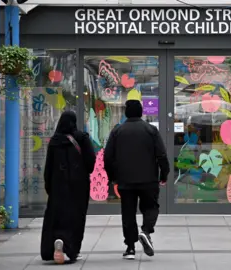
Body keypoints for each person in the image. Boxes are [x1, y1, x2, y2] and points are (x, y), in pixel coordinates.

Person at [104, 99, 170, 260]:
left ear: (126, 113)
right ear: (141, 112)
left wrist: (113, 178)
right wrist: (164, 174)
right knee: (151, 207)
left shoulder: (117, 131)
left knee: (128, 213)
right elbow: (161, 154)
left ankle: (130, 247)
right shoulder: (151, 130)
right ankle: (146, 231)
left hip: (125, 180)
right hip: (148, 179)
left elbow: (107, 158)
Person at [41, 111, 96, 264]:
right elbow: (91, 163)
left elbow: (48, 168)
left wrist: (49, 186)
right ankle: (72, 250)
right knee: (76, 217)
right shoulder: (82, 138)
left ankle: (56, 241)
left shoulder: (54, 141)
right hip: (79, 186)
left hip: (58, 186)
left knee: (57, 216)